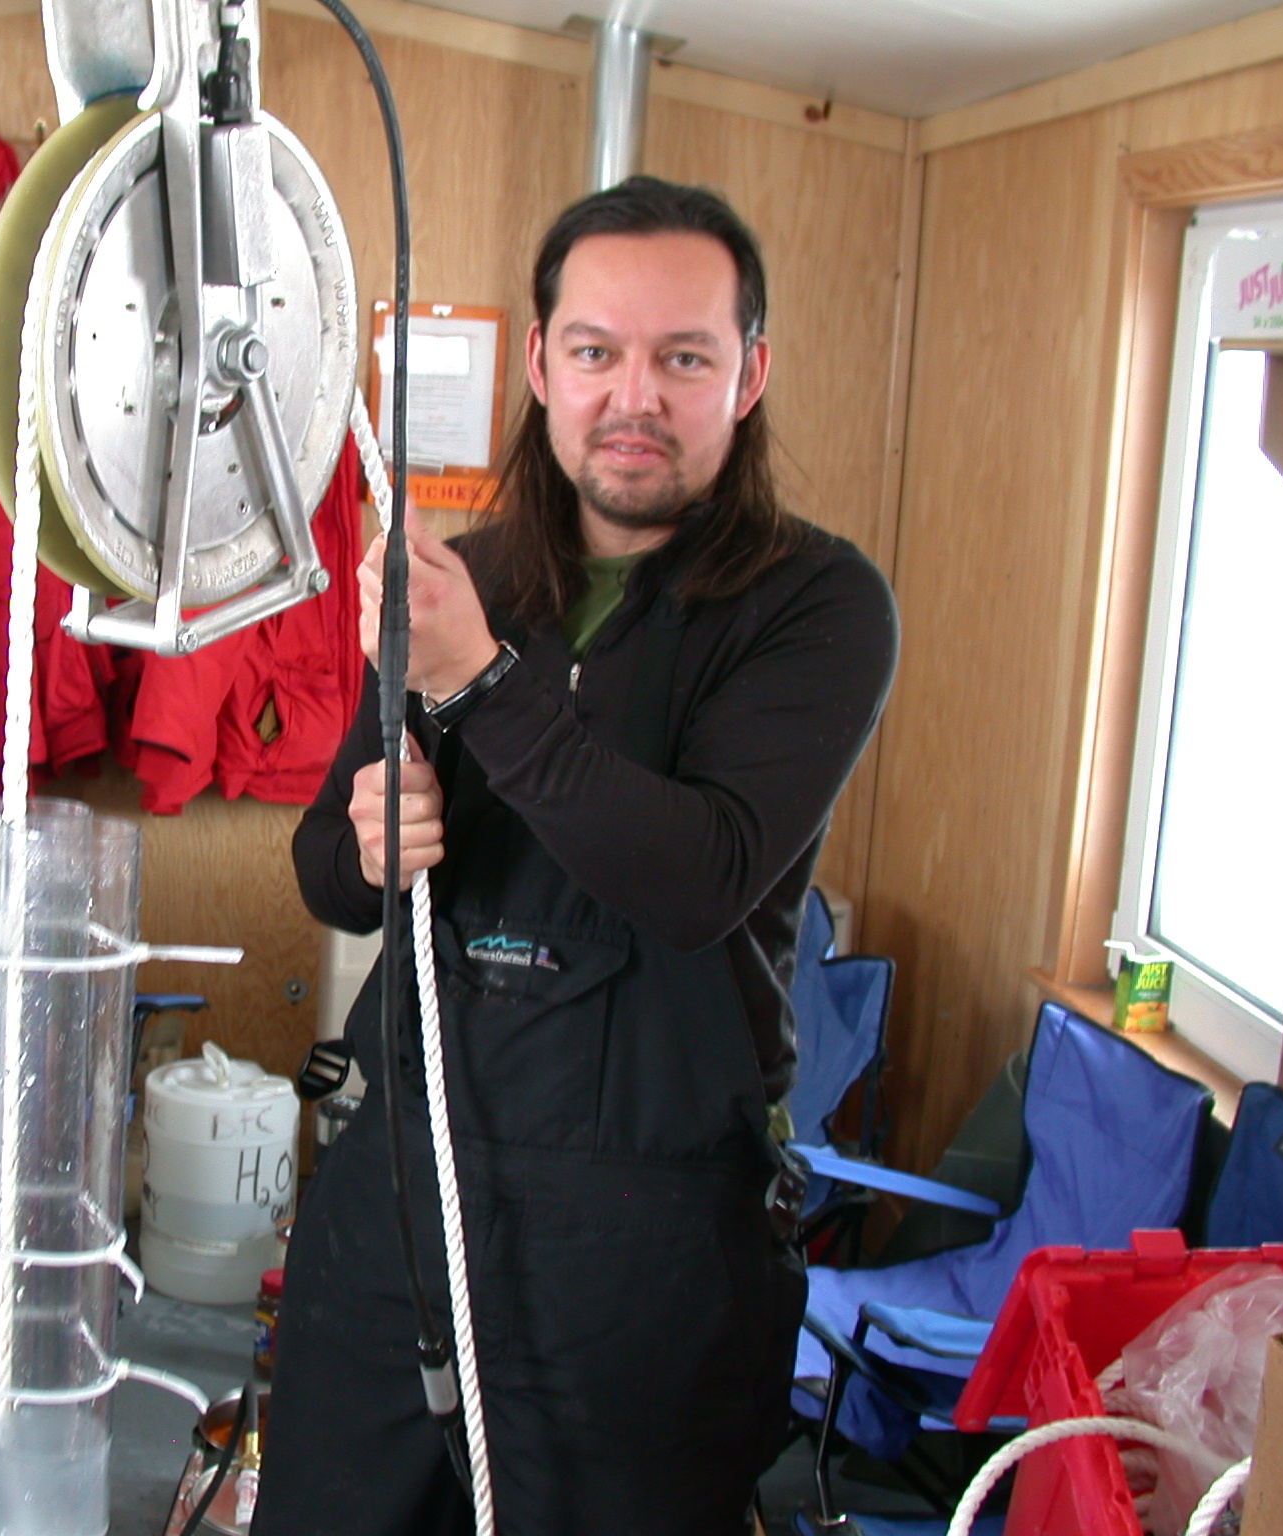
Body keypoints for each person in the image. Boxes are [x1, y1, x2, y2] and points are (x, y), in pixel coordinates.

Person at [256, 177, 900, 1534]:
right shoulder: (457, 578)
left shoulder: (819, 606)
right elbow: (325, 866)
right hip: (401, 1200)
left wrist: (481, 683)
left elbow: (700, 877)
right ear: (543, 362)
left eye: (685, 358)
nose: (635, 397)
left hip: (645, 1247)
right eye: (599, 352)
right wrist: (370, 845)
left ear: (751, 373)